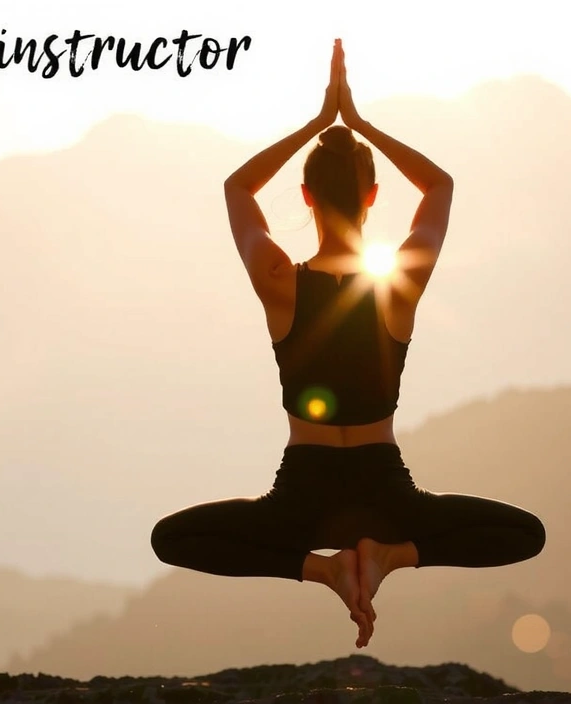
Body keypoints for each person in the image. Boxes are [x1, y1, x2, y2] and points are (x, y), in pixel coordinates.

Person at [151, 39, 545, 649]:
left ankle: (323, 570)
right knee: (524, 534)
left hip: (301, 496)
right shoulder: (398, 286)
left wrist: (318, 123)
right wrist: (358, 123)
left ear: (306, 196)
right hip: (386, 494)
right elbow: (438, 186)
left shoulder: (279, 282)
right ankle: (389, 557)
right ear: (372, 196)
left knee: (172, 538)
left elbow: (237, 189)